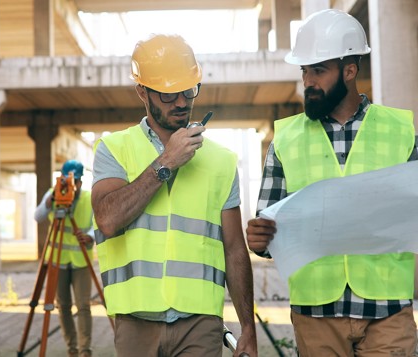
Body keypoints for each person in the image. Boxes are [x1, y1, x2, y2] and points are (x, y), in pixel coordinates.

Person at [246, 9, 418, 357]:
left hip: (387, 311)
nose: (308, 81)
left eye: (318, 70)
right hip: (316, 315)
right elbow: (267, 229)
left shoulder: (401, 131)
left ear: (350, 70)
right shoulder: (286, 139)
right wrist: (259, 239)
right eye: (305, 70)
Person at [91, 33, 257, 357]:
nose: (181, 102)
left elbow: (235, 248)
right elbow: (108, 220)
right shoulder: (114, 149)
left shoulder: (222, 161)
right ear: (142, 90)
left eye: (188, 90)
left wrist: (248, 327)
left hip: (201, 324)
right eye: (168, 94)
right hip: (135, 321)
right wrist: (166, 161)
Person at [35, 160, 94, 357]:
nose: (72, 185)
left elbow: (98, 223)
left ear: (80, 182)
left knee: (84, 306)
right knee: (63, 306)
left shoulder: (88, 197)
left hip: (81, 260)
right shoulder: (54, 192)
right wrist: (50, 201)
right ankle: (72, 350)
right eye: (68, 180)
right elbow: (38, 216)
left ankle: (85, 351)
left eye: (75, 181)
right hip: (57, 260)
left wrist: (91, 237)